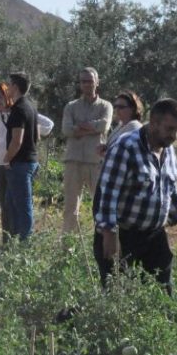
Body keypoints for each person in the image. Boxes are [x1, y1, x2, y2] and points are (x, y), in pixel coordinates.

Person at [93, 98, 177, 295]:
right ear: (153, 122)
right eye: (170, 128)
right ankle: (69, 320)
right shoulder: (125, 147)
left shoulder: (168, 150)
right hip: (123, 234)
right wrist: (110, 235)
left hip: (154, 236)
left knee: (162, 293)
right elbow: (108, 194)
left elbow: (171, 190)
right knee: (117, 297)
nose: (174, 135)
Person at [0, 82, 53, 242]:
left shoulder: (20, 111)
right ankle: (7, 240)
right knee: (5, 204)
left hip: (18, 162)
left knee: (19, 202)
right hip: (0, 162)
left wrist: (31, 131)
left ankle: (22, 239)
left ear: (8, 95)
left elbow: (49, 125)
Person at [61, 67, 112, 234]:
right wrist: (93, 127)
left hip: (96, 161)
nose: (86, 84)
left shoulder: (106, 106)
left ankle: (102, 244)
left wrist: (80, 128)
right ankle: (68, 247)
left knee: (101, 205)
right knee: (70, 207)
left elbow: (104, 125)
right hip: (73, 160)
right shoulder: (71, 106)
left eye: (90, 81)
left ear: (97, 82)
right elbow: (67, 130)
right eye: (83, 81)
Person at [3, 72, 41, 240]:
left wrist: (7, 158)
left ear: (15, 87)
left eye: (9, 85)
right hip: (29, 162)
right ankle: (14, 242)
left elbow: (16, 141)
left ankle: (26, 246)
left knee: (23, 207)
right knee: (11, 205)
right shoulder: (31, 107)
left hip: (19, 165)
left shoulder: (18, 109)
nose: (7, 88)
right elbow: (37, 136)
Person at [100, 90, 144, 155]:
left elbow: (129, 153)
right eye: (116, 106)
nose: (117, 110)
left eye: (121, 107)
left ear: (132, 109)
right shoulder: (120, 126)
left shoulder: (134, 127)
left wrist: (105, 153)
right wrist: (105, 147)